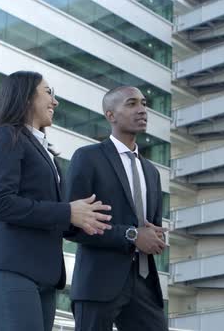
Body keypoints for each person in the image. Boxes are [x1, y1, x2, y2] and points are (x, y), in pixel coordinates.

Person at [0, 71, 112, 331]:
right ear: (26, 97)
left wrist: (86, 218)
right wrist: (67, 212)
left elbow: (55, 215)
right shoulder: (7, 135)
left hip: (44, 276)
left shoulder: (46, 151)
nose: (55, 102)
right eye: (48, 92)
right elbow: (1, 203)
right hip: (11, 269)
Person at [65, 86, 169, 331]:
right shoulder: (87, 158)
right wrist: (132, 235)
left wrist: (155, 237)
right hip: (98, 282)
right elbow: (71, 226)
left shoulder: (152, 172)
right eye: (132, 104)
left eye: (144, 103)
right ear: (110, 115)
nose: (142, 110)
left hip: (144, 283)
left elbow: (148, 227)